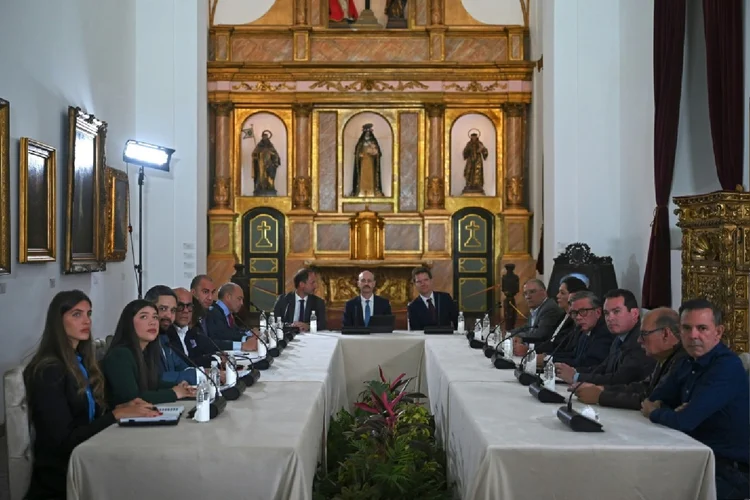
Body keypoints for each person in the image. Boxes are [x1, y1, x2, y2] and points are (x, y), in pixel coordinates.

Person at [24, 291, 159, 500]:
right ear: (58, 322)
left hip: (89, 454)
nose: (86, 321)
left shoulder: (82, 362)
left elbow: (91, 417)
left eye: (89, 314)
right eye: (76, 315)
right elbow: (63, 442)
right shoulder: (48, 371)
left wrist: (125, 407)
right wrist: (115, 414)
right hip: (63, 475)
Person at [642, 299, 749, 499]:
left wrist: (656, 412)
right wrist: (671, 410)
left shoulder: (727, 367)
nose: (693, 336)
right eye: (687, 328)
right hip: (690, 455)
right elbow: (655, 397)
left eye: (702, 328)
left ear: (718, 332)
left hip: (727, 470)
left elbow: (684, 421)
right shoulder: (685, 361)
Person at [575, 307, 687, 410]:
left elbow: (652, 399)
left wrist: (601, 396)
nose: (639, 340)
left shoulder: (682, 360)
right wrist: (601, 389)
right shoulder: (665, 356)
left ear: (665, 334)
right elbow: (643, 387)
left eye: (644, 334)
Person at [102, 300, 196, 407]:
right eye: (144, 317)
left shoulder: (145, 353)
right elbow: (132, 398)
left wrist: (179, 387)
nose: (153, 322)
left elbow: (153, 384)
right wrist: (174, 393)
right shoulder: (120, 355)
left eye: (155, 317)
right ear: (129, 323)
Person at [557, 289, 654, 386]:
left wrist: (576, 377)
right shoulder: (619, 337)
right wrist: (573, 372)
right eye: (607, 313)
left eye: (616, 311)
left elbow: (620, 379)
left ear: (635, 313)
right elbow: (603, 368)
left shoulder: (640, 341)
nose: (610, 318)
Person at [204, 282, 258, 351]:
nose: (242, 303)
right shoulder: (213, 312)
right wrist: (246, 339)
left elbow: (234, 332)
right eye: (239, 299)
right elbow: (222, 336)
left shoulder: (227, 313)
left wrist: (250, 333)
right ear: (228, 297)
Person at [351, 123, 384, 197]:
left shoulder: (373, 142)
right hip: (363, 164)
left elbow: (378, 153)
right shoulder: (361, 143)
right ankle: (361, 191)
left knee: (371, 177)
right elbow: (357, 152)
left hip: (371, 163)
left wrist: (374, 152)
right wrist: (359, 155)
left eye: (369, 133)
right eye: (366, 133)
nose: (367, 135)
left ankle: (371, 192)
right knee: (363, 177)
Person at [252, 130, 280, 195]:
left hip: (269, 165)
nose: (265, 138)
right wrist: (256, 155)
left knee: (270, 177)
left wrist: (273, 158)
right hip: (261, 165)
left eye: (266, 137)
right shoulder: (259, 146)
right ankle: (260, 187)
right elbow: (254, 154)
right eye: (264, 137)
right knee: (261, 177)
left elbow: (275, 155)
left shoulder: (271, 146)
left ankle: (270, 187)